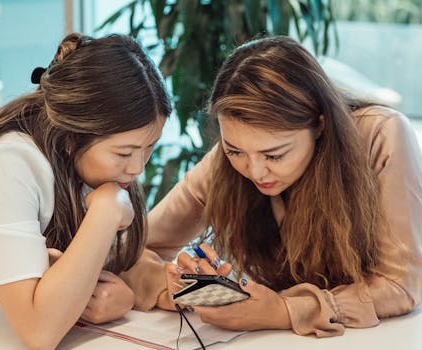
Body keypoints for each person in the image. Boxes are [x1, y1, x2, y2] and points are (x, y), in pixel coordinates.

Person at [147, 36, 422, 337]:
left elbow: (401, 284)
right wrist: (172, 282)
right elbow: (140, 244)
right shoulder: (233, 158)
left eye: (274, 155)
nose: (254, 170)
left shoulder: (382, 135)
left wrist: (284, 310)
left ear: (320, 125)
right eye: (234, 151)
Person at [0, 32, 171, 349]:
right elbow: (39, 331)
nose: (138, 167)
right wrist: (106, 212)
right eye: (124, 153)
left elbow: (92, 267)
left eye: (149, 148)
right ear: (71, 138)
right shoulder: (6, 162)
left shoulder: (80, 164)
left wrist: (122, 295)